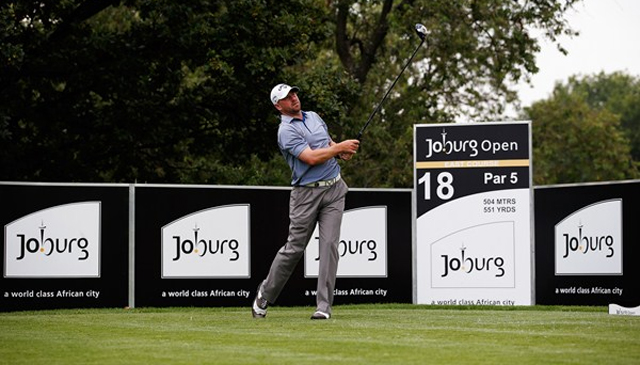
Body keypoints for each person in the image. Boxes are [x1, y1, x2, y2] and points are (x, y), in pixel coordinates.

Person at [252, 83, 360, 320]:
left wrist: (339, 150)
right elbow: (311, 157)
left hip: (334, 190)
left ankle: (323, 307)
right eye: (287, 97)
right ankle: (265, 293)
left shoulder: (314, 117)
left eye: (294, 93)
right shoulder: (285, 131)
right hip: (305, 195)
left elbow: (326, 144)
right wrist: (338, 148)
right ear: (278, 106)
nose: (293, 98)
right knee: (294, 249)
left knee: (329, 246)